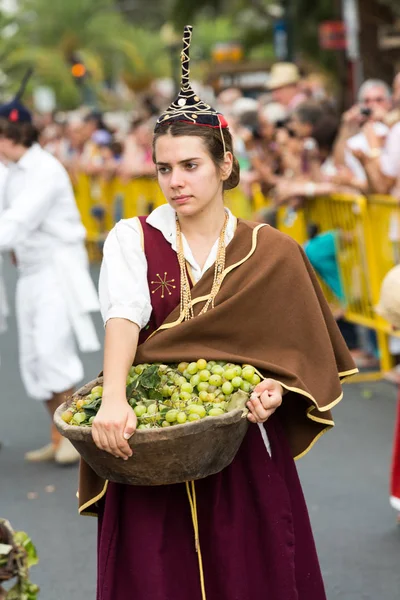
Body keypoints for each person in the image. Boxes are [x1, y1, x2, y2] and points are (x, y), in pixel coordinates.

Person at [79, 26, 358, 600]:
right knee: (160, 575)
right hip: (150, 435)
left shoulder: (271, 250)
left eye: (190, 165)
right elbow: (124, 318)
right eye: (164, 169)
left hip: (240, 443)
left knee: (251, 571)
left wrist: (276, 390)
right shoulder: (133, 239)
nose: (176, 181)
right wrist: (112, 400)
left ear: (225, 165)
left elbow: (292, 357)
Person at [0, 72, 101, 465]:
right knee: (34, 359)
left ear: (8, 137)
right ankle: (60, 436)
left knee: (52, 353)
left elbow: (14, 226)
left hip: (56, 272)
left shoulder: (43, 170)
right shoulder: (13, 170)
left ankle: (77, 440)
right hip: (30, 272)